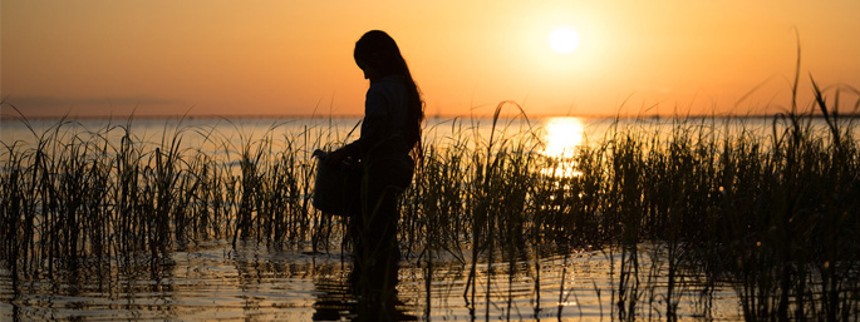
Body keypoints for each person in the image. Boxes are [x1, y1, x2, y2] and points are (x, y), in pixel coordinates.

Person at [322, 30, 423, 320]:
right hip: (399, 168)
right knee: (385, 233)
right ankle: (385, 293)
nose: (365, 76)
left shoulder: (379, 91)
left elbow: (376, 133)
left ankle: (368, 296)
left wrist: (343, 153)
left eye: (364, 67)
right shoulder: (405, 88)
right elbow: (401, 136)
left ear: (377, 59)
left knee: (366, 236)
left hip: (379, 171)